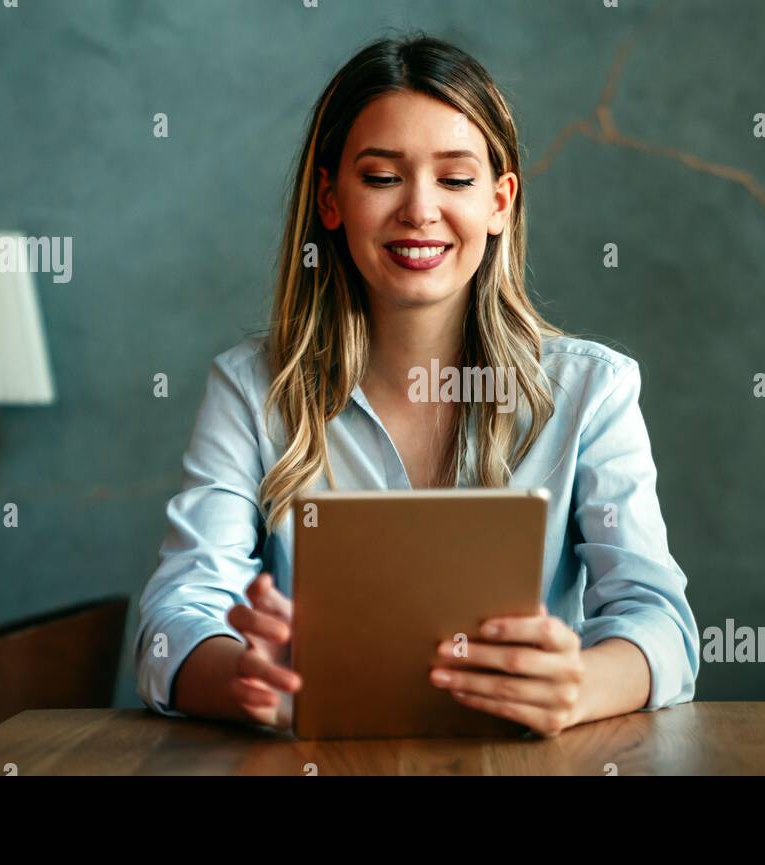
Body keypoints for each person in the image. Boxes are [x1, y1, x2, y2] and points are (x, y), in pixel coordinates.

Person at [134, 33, 699, 737]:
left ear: (500, 203)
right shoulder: (252, 388)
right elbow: (174, 617)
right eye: (380, 177)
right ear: (330, 199)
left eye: (456, 180)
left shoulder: (593, 391)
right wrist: (251, 677)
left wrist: (577, 686)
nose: (419, 210)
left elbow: (660, 620)